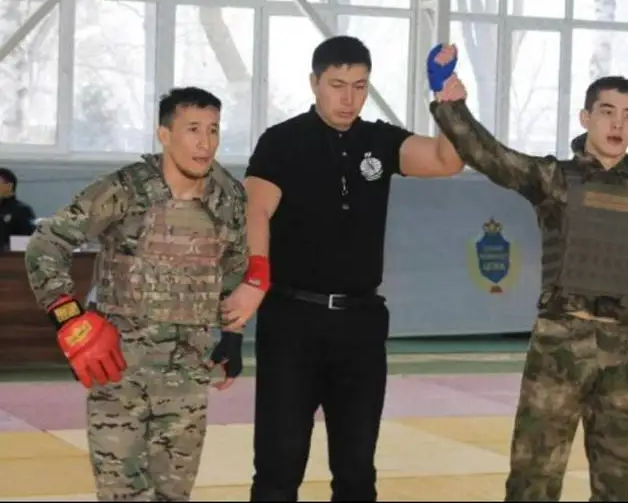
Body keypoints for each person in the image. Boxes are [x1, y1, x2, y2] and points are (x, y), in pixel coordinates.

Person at [426, 53, 628, 502]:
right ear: (586, 118)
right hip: (557, 349)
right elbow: (493, 158)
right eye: (607, 112)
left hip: (621, 354)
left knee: (615, 486)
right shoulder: (555, 180)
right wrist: (451, 106)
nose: (617, 124)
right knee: (533, 481)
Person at [235, 35, 464, 502]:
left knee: (357, 469)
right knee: (279, 464)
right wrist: (256, 276)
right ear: (314, 83)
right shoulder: (282, 141)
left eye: (359, 86)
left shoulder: (380, 140)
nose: (348, 98)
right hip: (292, 320)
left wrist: (447, 103)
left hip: (360, 324)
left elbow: (447, 161)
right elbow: (255, 210)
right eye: (337, 85)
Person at [24, 86, 261, 502]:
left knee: (173, 495)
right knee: (122, 494)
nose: (205, 143)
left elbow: (233, 269)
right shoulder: (123, 190)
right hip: (118, 369)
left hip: (188, 371)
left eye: (213, 130)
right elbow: (46, 244)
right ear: (164, 135)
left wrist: (233, 335)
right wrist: (69, 318)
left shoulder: (228, 197)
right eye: (192, 129)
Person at [0, 167, 37, 251]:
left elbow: (29, 241)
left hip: (10, 257)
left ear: (9, 186)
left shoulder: (21, 210)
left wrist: (5, 247)